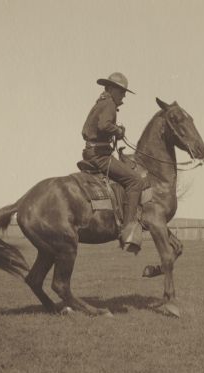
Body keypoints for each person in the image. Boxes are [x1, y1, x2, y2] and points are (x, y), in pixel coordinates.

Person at [81, 72, 144, 252]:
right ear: (112, 89)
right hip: (100, 156)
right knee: (135, 180)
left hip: (92, 151)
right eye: (122, 92)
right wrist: (117, 131)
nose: (123, 96)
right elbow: (103, 125)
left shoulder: (100, 103)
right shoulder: (108, 103)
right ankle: (128, 231)